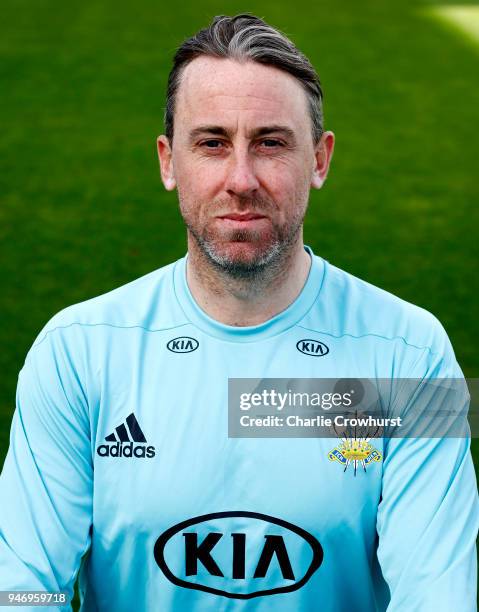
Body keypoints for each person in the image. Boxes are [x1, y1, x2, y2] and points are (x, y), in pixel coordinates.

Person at [0, 13, 477, 612]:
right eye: (213, 143)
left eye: (271, 143)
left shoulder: (411, 354)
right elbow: (19, 588)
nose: (241, 179)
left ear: (321, 159)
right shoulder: (78, 352)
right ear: (169, 161)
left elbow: (439, 597)